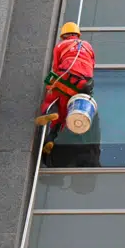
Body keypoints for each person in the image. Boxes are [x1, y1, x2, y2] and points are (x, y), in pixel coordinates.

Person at [34, 22, 96, 154]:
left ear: (63, 35)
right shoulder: (88, 46)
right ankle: (52, 137)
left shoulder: (60, 46)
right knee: (66, 109)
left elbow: (56, 67)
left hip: (66, 77)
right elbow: (92, 64)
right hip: (82, 83)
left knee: (53, 96)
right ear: (77, 34)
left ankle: (48, 113)